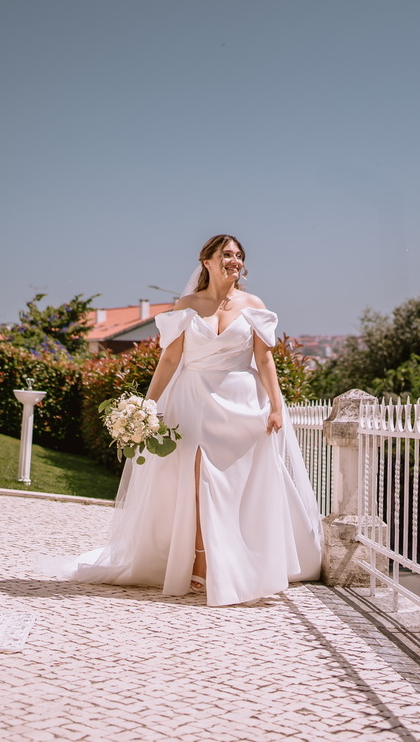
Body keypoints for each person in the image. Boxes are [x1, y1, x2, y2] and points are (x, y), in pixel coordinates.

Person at [49, 234, 323, 606]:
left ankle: (243, 561)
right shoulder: (188, 306)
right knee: (197, 481)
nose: (235, 260)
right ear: (207, 261)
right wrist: (146, 407)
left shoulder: (253, 305)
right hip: (193, 401)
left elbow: (264, 359)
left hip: (243, 405)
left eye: (239, 255)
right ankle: (200, 561)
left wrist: (276, 406)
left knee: (238, 486)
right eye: (226, 254)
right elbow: (170, 359)